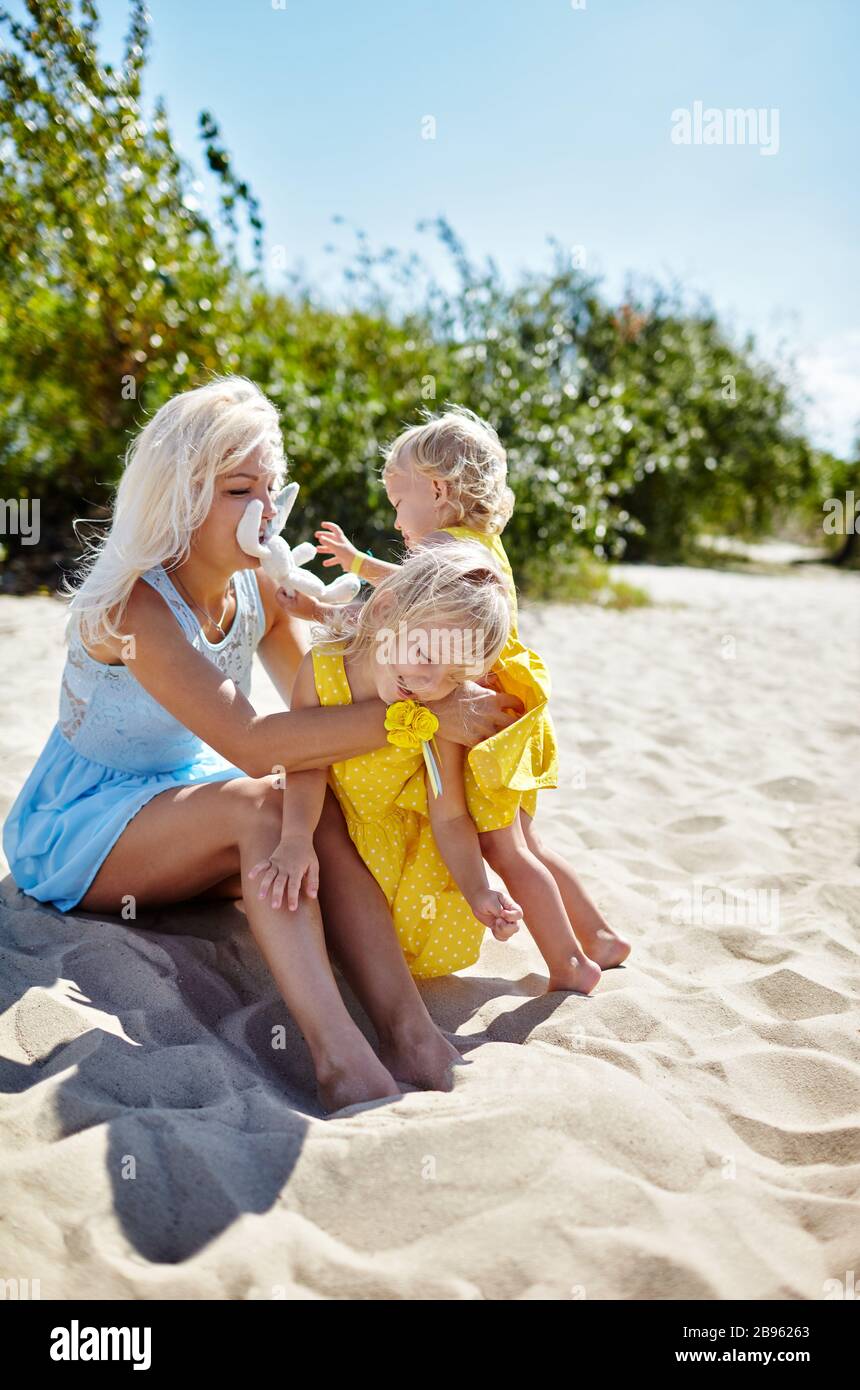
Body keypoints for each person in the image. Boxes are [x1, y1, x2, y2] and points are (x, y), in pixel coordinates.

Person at [2, 378, 523, 1113]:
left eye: (271, 489)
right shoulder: (135, 608)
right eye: (239, 490)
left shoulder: (257, 592)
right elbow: (255, 744)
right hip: (80, 824)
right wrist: (428, 717)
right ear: (179, 497)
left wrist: (433, 675)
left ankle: (408, 1031)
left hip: (182, 798)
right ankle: (340, 1060)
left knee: (316, 802)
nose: (266, 511)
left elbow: (329, 701)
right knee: (268, 804)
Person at [304, 405, 631, 978]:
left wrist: (338, 587)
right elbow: (413, 590)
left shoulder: (442, 548)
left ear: (436, 489)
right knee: (523, 843)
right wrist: (361, 567)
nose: (397, 520)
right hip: (512, 712)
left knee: (504, 849)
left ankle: (571, 962)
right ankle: (599, 936)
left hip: (478, 718)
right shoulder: (481, 543)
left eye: (399, 502)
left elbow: (405, 600)